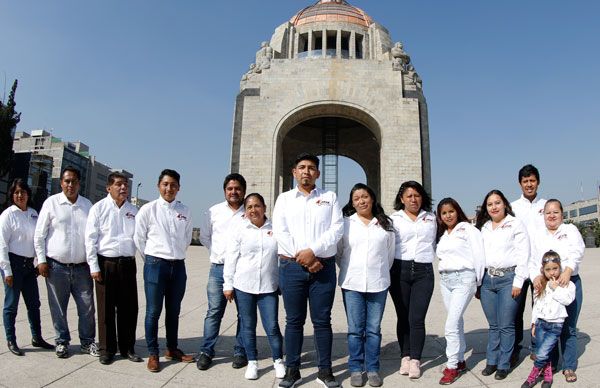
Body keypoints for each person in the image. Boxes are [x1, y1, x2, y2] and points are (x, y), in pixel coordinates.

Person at [272, 153, 344, 388]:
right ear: (294, 172)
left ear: (318, 174)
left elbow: (336, 229)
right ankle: (292, 370)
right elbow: (280, 232)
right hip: (291, 268)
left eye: (311, 168)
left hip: (322, 267)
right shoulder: (283, 199)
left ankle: (325, 370)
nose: (306, 171)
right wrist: (304, 259)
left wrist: (313, 251)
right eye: (301, 167)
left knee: (323, 321)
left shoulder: (329, 197)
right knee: (293, 321)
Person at [34, 167, 98, 359]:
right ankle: (62, 342)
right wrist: (41, 260)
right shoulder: (51, 203)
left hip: (82, 268)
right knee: (58, 308)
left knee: (87, 308)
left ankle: (87, 342)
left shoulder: (88, 206)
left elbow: (94, 236)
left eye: (74, 181)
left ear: (79, 183)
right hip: (56, 267)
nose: (70, 185)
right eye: (67, 181)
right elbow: (39, 235)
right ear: (61, 182)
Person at [134, 169, 193, 373]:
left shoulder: (184, 210)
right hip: (155, 265)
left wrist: (175, 255)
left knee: (174, 310)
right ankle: (153, 353)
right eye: (165, 184)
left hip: (177, 266)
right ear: (159, 186)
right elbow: (139, 238)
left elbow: (186, 239)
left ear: (178, 188)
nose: (169, 188)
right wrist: (151, 259)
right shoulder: (148, 209)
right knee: (153, 311)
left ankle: (172, 348)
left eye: (173, 185)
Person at [337, 183, 395, 387]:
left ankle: (372, 368)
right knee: (354, 329)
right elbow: (339, 253)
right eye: (356, 198)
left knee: (373, 329)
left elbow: (389, 255)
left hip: (378, 284)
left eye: (365, 196)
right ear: (352, 203)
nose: (361, 201)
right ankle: (355, 368)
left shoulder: (385, 224)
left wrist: (377, 270)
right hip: (352, 283)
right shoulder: (345, 224)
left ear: (372, 198)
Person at [222, 193, 284, 381]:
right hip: (244, 286)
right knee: (248, 326)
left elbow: (282, 256)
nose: (253, 210)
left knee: (272, 326)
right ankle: (252, 362)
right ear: (246, 210)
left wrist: (282, 282)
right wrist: (228, 284)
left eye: (257, 206)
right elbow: (231, 258)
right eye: (249, 207)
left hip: (268, 287)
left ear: (264, 207)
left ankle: (278, 360)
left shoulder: (276, 228)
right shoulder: (240, 229)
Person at [85, 172, 141, 365]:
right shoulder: (98, 208)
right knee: (106, 309)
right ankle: (107, 349)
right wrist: (94, 266)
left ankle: (127, 348)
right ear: (109, 188)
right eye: (118, 184)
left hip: (127, 264)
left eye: (125, 184)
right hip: (105, 264)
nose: (123, 188)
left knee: (129, 308)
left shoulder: (134, 210)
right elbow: (90, 239)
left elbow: (139, 238)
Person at [475, 189, 529, 380]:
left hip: (509, 279)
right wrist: (478, 282)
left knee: (506, 325)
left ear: (505, 204)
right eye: (490, 204)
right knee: (494, 325)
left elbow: (524, 254)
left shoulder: (515, 224)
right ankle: (492, 360)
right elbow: (478, 256)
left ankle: (504, 364)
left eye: (497, 202)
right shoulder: (484, 227)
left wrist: (518, 281)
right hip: (488, 281)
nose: (494, 207)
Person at [529, 199, 585, 383]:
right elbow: (531, 259)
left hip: (569, 282)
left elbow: (578, 250)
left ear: (562, 213)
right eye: (548, 213)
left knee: (568, 328)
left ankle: (568, 366)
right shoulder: (538, 235)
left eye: (555, 212)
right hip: (545, 286)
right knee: (547, 326)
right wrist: (535, 277)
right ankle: (549, 364)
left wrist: (568, 270)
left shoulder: (570, 230)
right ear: (543, 215)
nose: (552, 216)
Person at [197, 173, 248, 370]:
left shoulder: (250, 211)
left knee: (244, 314)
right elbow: (205, 237)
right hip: (218, 270)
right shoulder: (214, 211)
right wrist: (217, 254)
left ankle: (240, 351)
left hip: (243, 271)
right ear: (225, 191)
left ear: (243, 191)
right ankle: (206, 351)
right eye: (230, 189)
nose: (234, 192)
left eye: (237, 189)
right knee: (214, 312)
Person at [0, 179, 54, 356]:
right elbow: (2, 245)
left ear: (28, 194)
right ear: (12, 195)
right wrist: (7, 271)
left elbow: (39, 239)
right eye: (16, 192)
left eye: (23, 192)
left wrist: (39, 261)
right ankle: (11, 339)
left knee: (34, 304)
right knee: (11, 305)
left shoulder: (33, 214)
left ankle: (37, 337)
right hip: (13, 264)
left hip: (29, 266)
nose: (20, 195)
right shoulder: (8, 215)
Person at [389, 180, 436, 379]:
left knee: (417, 318)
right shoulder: (393, 219)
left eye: (417, 195)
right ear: (402, 199)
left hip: (423, 272)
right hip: (400, 270)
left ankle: (416, 359)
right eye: (409, 196)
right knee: (403, 316)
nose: (413, 199)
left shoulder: (432, 218)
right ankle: (405, 356)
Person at [435, 198, 485, 385]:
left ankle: (452, 366)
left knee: (450, 324)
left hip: (464, 279)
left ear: (458, 211)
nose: (448, 215)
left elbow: (479, 256)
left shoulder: (468, 229)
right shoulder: (444, 234)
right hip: (446, 280)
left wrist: (478, 283)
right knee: (457, 322)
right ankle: (462, 359)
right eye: (444, 213)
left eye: (451, 211)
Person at [522, 250, 575, 388]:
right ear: (543, 270)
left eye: (555, 268)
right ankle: (547, 376)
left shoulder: (567, 285)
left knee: (542, 352)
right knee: (544, 350)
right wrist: (533, 323)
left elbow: (568, 300)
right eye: (548, 269)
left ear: (560, 268)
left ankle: (532, 376)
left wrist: (556, 288)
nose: (552, 272)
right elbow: (536, 305)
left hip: (555, 324)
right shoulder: (540, 284)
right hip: (541, 323)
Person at [511, 164, 547, 364]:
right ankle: (515, 348)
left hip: (540, 268)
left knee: (539, 308)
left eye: (532, 180)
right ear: (520, 183)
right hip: (520, 267)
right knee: (515, 310)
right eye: (525, 181)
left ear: (538, 182)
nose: (529, 184)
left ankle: (537, 346)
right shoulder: (514, 207)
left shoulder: (546, 205)